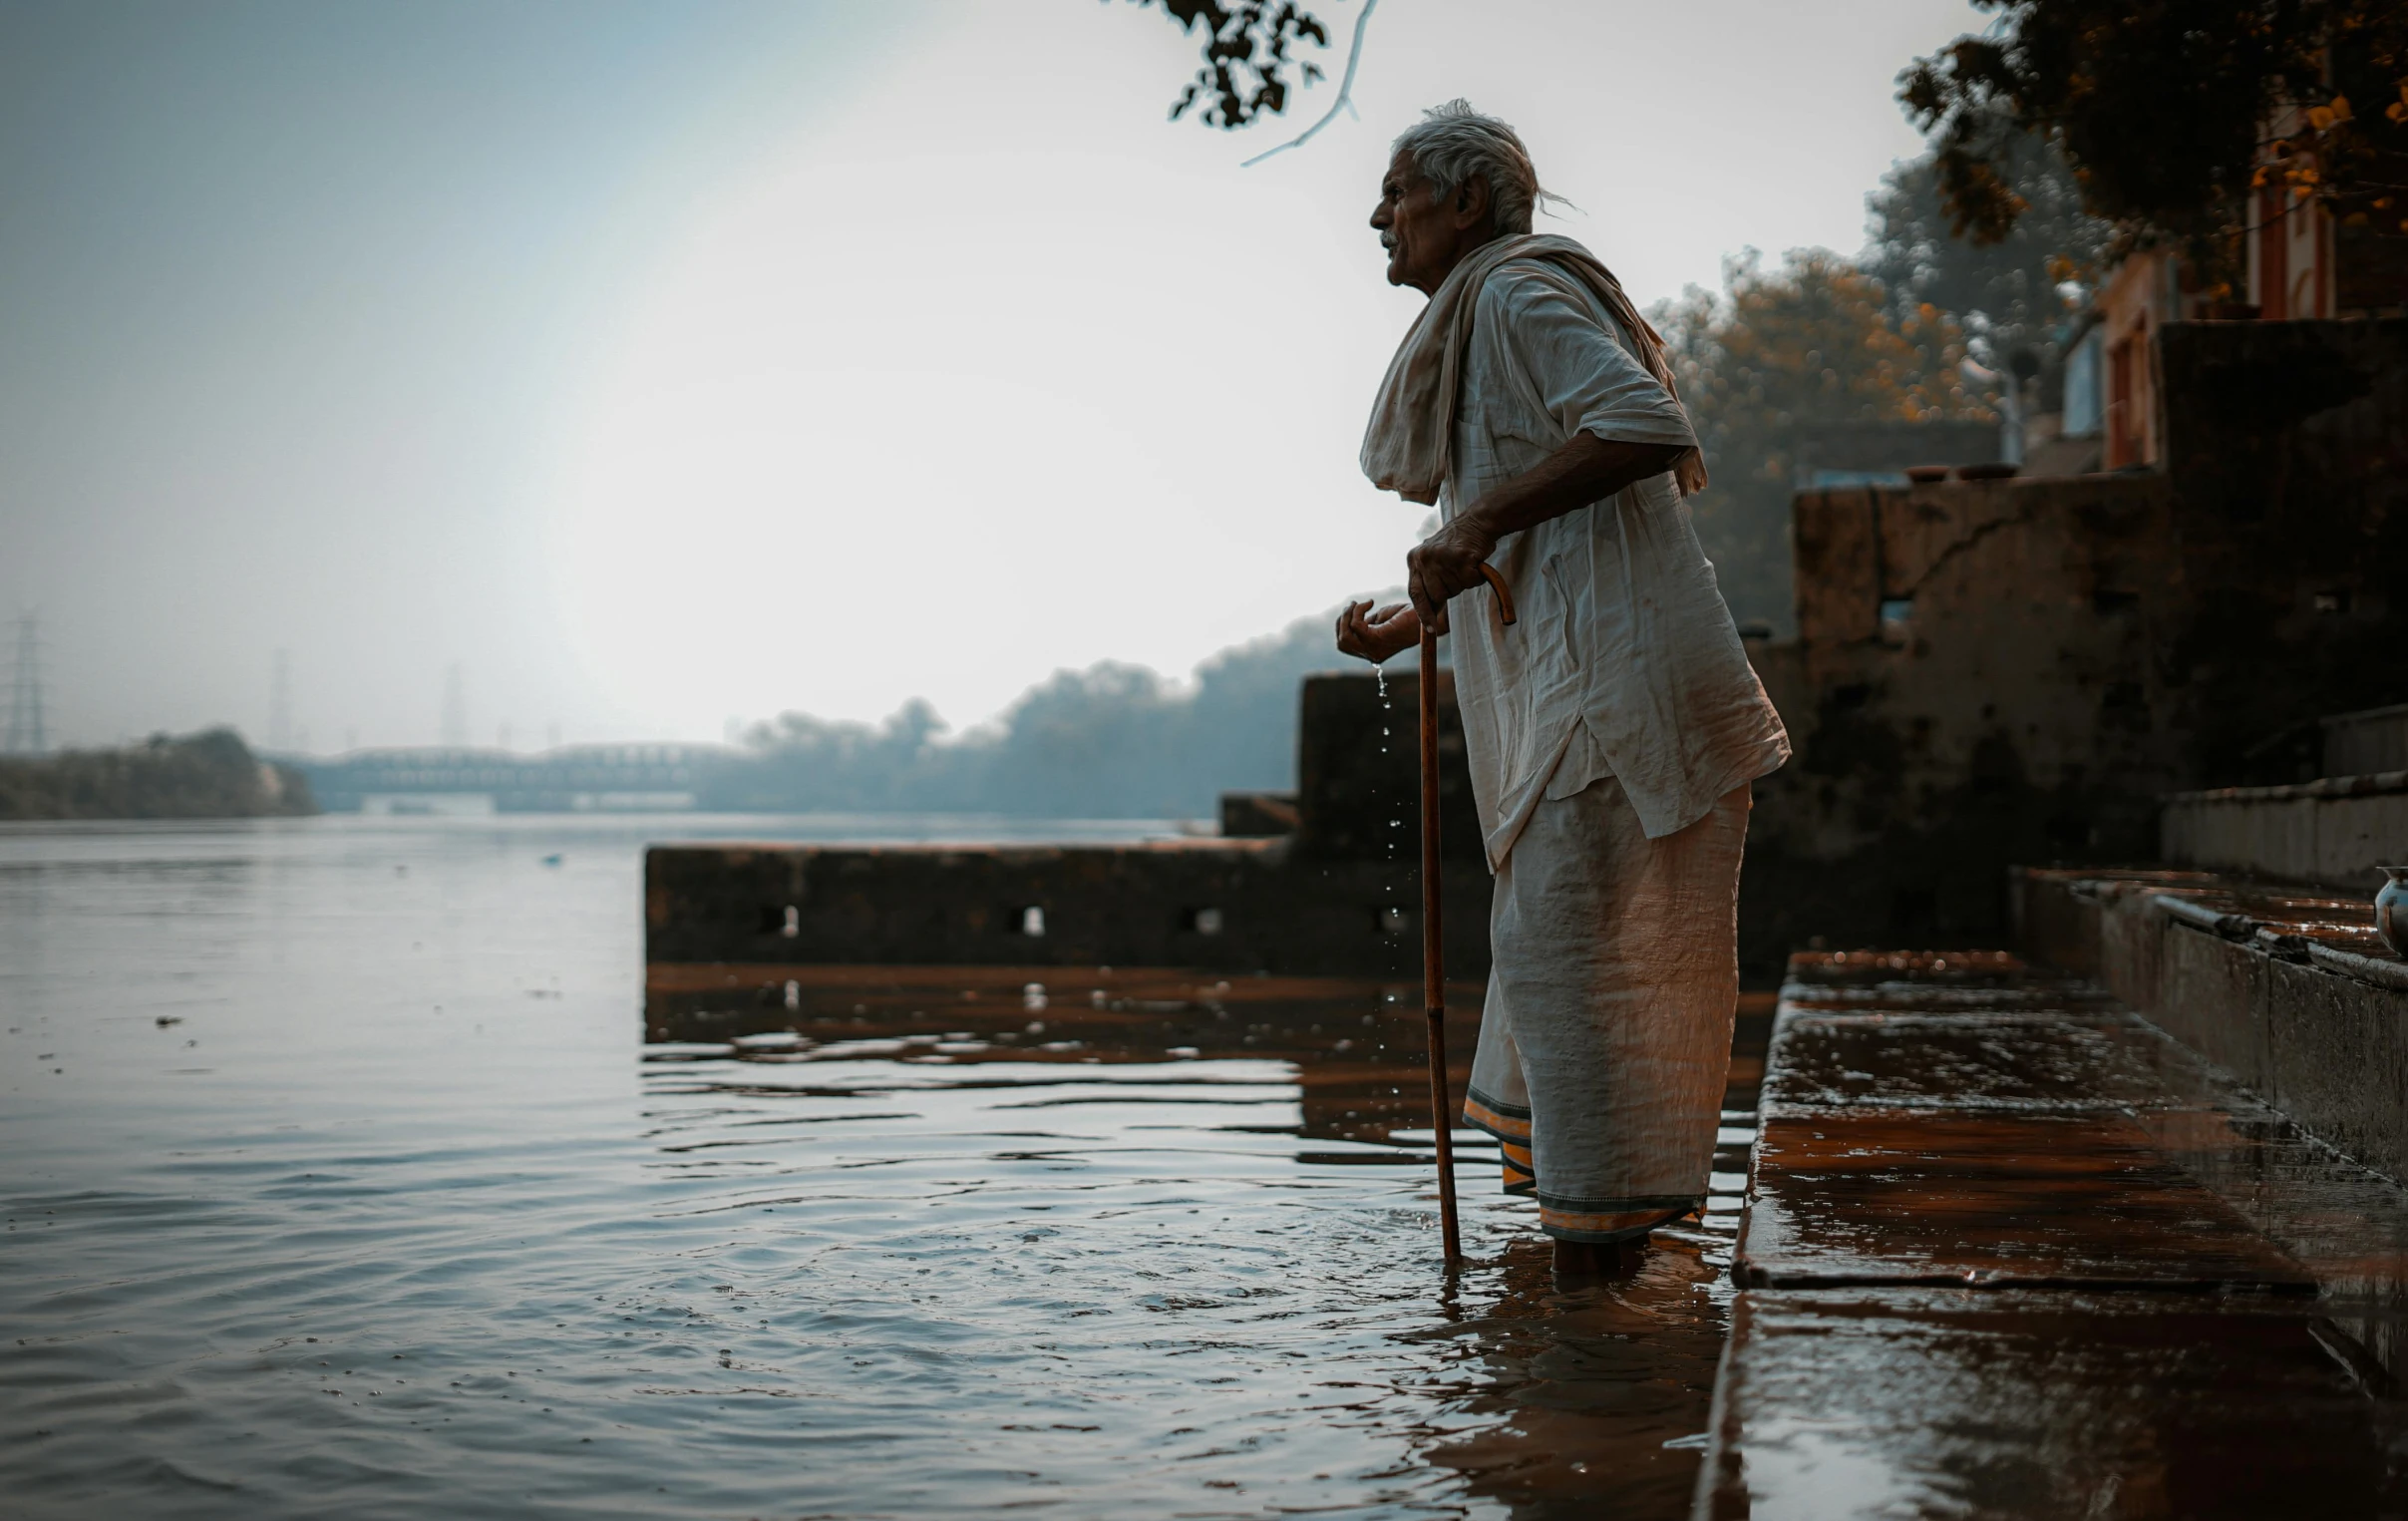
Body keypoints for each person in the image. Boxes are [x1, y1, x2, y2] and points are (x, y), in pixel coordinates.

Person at [1334, 102, 1789, 1277]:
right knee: (1571, 986)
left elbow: (1646, 423)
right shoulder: (1485, 316)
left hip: (1613, 717)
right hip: (1590, 708)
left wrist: (1475, 516)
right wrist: (1411, 618)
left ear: (1467, 202)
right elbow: (1539, 549)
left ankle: (1598, 1310)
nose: (1378, 216)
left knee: (1576, 988)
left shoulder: (1519, 293)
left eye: (1398, 193)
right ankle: (1606, 1287)